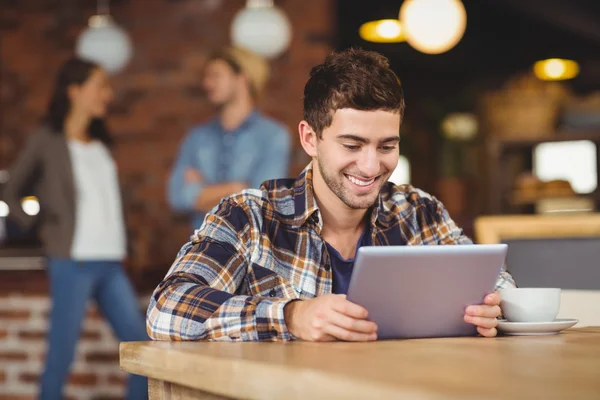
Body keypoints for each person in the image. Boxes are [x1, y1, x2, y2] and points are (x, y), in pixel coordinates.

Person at [147, 48, 516, 343]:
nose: (371, 167)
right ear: (310, 139)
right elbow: (166, 309)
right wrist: (291, 316)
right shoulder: (248, 216)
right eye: (352, 145)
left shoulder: (420, 212)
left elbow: (498, 286)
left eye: (387, 146)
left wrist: (494, 309)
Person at [4, 58, 148, 399]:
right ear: (75, 91)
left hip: (111, 262)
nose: (107, 94)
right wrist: (37, 224)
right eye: (100, 86)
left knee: (143, 351)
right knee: (61, 355)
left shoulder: (101, 144)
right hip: (73, 262)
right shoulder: (47, 140)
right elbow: (11, 192)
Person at [167, 46, 291, 229]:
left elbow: (261, 202)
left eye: (216, 76)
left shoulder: (273, 135)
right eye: (206, 77)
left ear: (242, 78)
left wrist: (202, 192)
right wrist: (235, 188)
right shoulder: (196, 137)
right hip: (204, 249)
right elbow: (177, 198)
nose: (207, 84)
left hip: (250, 250)